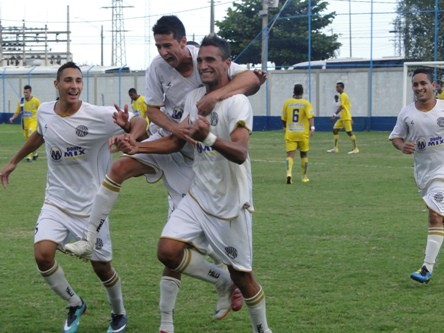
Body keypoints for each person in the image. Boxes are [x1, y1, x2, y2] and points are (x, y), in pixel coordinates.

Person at [64, 15, 264, 333]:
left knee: (186, 251)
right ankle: (90, 239)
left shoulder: (206, 59)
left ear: (185, 42)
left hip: (196, 164)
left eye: (168, 45)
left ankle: (228, 282)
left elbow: (251, 79)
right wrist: (140, 138)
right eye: (158, 46)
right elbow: (152, 111)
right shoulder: (159, 68)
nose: (163, 52)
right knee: (120, 170)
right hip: (171, 142)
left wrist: (211, 98)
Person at [114, 33, 272, 333]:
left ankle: (262, 329)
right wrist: (138, 146)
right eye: (200, 60)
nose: (204, 65)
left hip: (231, 202)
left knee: (244, 277)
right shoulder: (192, 98)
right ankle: (219, 281)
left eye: (211, 60)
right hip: (198, 196)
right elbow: (176, 141)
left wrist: (208, 138)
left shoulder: (237, 103)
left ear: (228, 64)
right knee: (168, 251)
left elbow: (240, 153)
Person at [0, 61, 147, 333]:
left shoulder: (98, 115)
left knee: (102, 268)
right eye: (68, 80)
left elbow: (139, 121)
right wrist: (13, 161)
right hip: (55, 202)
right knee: (42, 254)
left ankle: (119, 313)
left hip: (92, 209)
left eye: (78, 81)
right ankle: (75, 303)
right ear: (57, 85)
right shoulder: (45, 111)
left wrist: (130, 129)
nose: (74, 86)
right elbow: (40, 136)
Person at [389, 67, 444, 284]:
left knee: (434, 215)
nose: (419, 88)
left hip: (442, 173)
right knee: (438, 216)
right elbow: (395, 137)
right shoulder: (407, 113)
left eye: (423, 83)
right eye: (415, 84)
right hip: (424, 174)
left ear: (434, 85)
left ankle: (426, 269)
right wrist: (402, 147)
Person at [281, 83, 315, 184]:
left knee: (290, 155)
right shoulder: (306, 103)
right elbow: (310, 117)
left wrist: (286, 127)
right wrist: (312, 128)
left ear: (293, 91)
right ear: (302, 92)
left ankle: (289, 174)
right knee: (304, 154)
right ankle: (304, 177)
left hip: (291, 132)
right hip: (302, 133)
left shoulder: (287, 103)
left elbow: (283, 118)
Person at [9, 85, 41, 162]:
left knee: (30, 136)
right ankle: (35, 153)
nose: (25, 94)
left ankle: (29, 156)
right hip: (24, 123)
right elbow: (17, 111)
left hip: (33, 122)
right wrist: (13, 117)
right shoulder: (21, 101)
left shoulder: (36, 101)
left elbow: (41, 110)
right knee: (27, 140)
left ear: (30, 92)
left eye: (27, 92)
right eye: (24, 92)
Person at [327, 81, 359, 154]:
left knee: (349, 132)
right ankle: (335, 148)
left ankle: (355, 148)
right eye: (336, 87)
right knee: (335, 130)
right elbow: (348, 106)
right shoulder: (342, 95)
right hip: (343, 117)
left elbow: (341, 107)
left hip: (345, 117)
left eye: (338, 87)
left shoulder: (343, 95)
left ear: (342, 88)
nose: (336, 88)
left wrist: (334, 115)